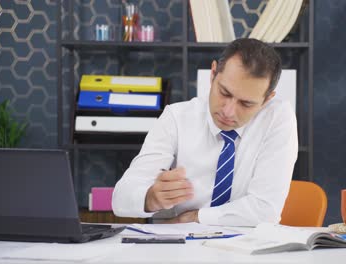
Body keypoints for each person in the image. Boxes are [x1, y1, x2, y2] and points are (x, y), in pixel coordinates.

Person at [112, 38, 298, 226]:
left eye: (246, 103)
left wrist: (195, 217)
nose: (228, 112)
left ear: (267, 100)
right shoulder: (176, 118)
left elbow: (265, 210)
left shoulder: (277, 117)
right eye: (224, 93)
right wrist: (150, 197)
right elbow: (120, 199)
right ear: (213, 74)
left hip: (246, 248)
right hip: (178, 248)